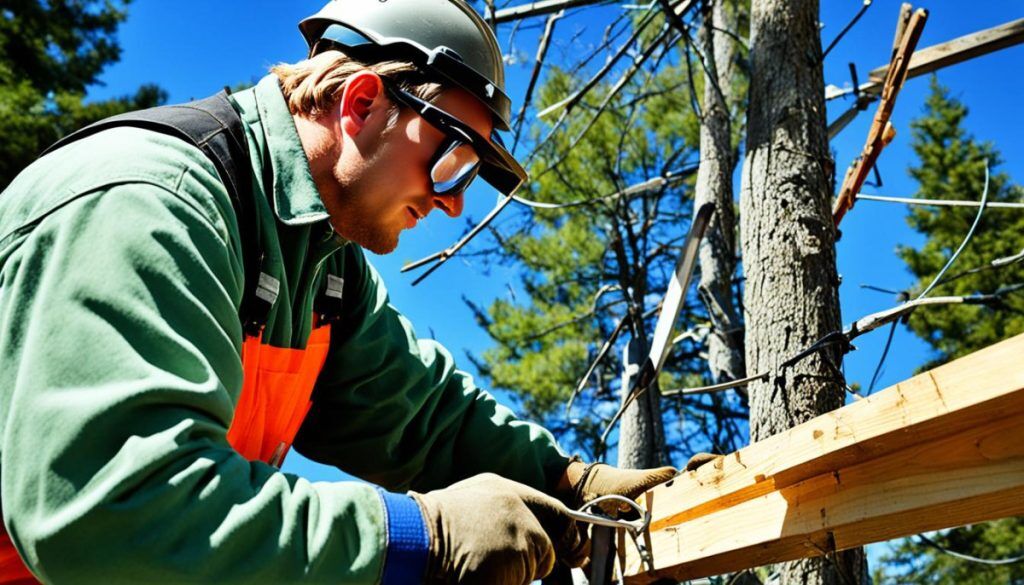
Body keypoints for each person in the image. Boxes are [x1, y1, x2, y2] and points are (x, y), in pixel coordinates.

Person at [0, 0, 677, 583]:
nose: (453, 203)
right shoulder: (152, 201)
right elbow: (117, 513)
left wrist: (566, 480)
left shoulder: (323, 264)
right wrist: (422, 538)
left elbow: (423, 418)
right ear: (361, 104)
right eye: (453, 160)